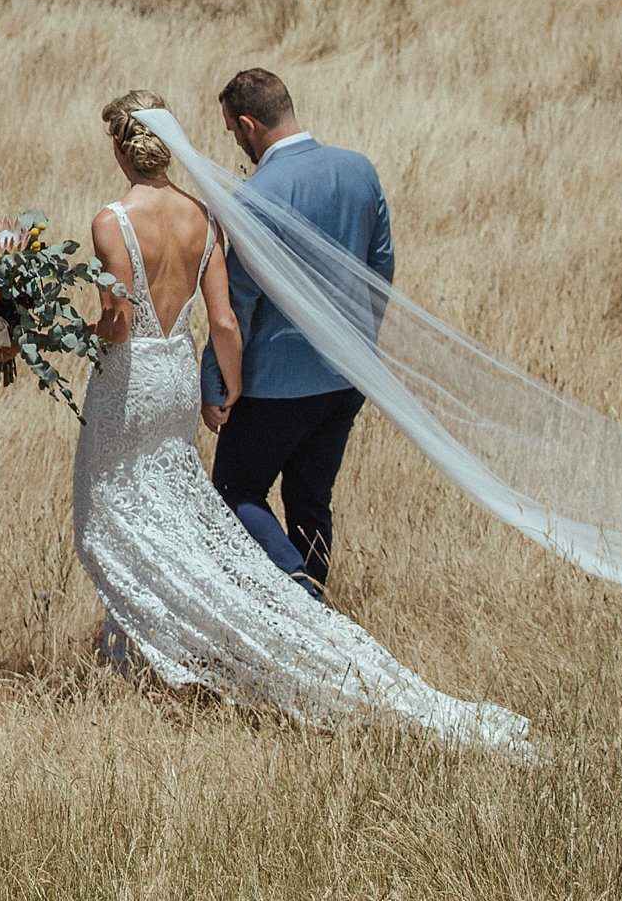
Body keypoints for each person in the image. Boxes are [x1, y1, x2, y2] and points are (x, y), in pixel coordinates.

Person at [59, 89, 532, 751]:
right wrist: (233, 378)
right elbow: (223, 319)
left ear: (118, 146)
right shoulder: (204, 214)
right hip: (195, 378)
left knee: (113, 513)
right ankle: (147, 643)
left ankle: (214, 623)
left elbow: (113, 322)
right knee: (196, 503)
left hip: (133, 379)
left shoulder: (112, 220)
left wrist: (56, 333)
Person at [201, 67, 389, 600]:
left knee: (237, 492)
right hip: (348, 377)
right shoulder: (360, 171)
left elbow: (236, 302)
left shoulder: (259, 194)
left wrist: (216, 386)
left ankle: (302, 595)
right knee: (311, 498)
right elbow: (380, 271)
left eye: (232, 131)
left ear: (247, 124)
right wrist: (358, 349)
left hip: (275, 387)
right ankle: (320, 632)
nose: (235, 143)